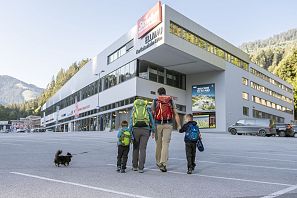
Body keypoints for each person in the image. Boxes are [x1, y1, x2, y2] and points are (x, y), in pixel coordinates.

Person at [151, 87, 181, 172]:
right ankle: (163, 163)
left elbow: (152, 115)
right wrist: (179, 125)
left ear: (158, 93)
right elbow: (176, 114)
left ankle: (158, 162)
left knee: (158, 144)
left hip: (158, 124)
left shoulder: (155, 100)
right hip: (168, 124)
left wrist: (152, 128)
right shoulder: (170, 100)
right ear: (165, 92)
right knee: (165, 144)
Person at [129, 99, 155, 173]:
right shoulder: (147, 109)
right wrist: (153, 130)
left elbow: (131, 120)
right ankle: (141, 168)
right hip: (145, 130)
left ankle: (134, 166)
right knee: (143, 149)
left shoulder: (134, 109)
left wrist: (129, 131)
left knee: (135, 148)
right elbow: (151, 120)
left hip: (135, 130)